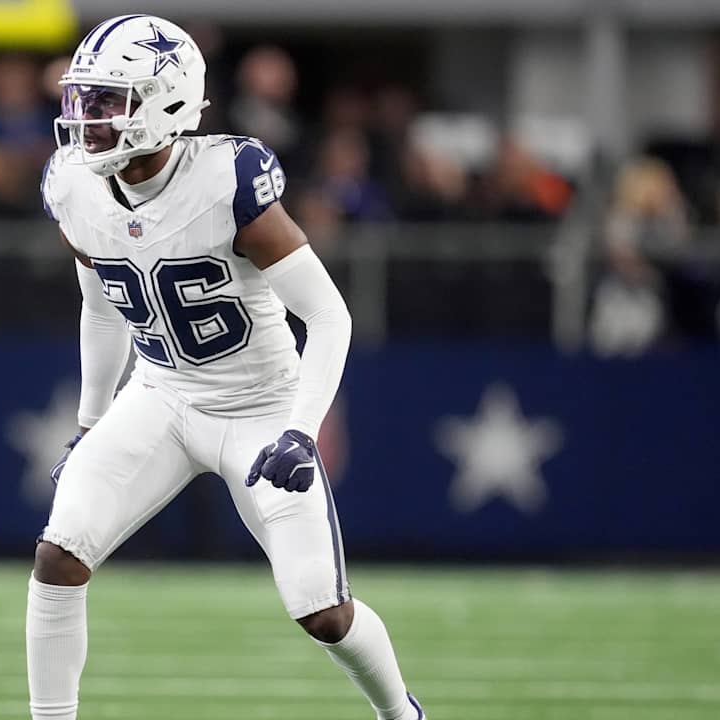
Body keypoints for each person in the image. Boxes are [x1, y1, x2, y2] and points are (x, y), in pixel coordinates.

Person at [29, 15, 424, 720]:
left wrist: (301, 430)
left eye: (108, 100)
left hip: (261, 407)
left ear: (167, 102)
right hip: (163, 394)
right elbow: (101, 307)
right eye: (83, 98)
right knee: (60, 554)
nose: (87, 118)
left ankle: (402, 713)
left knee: (322, 611)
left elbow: (328, 316)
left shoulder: (225, 181)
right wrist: (91, 423)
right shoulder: (73, 185)